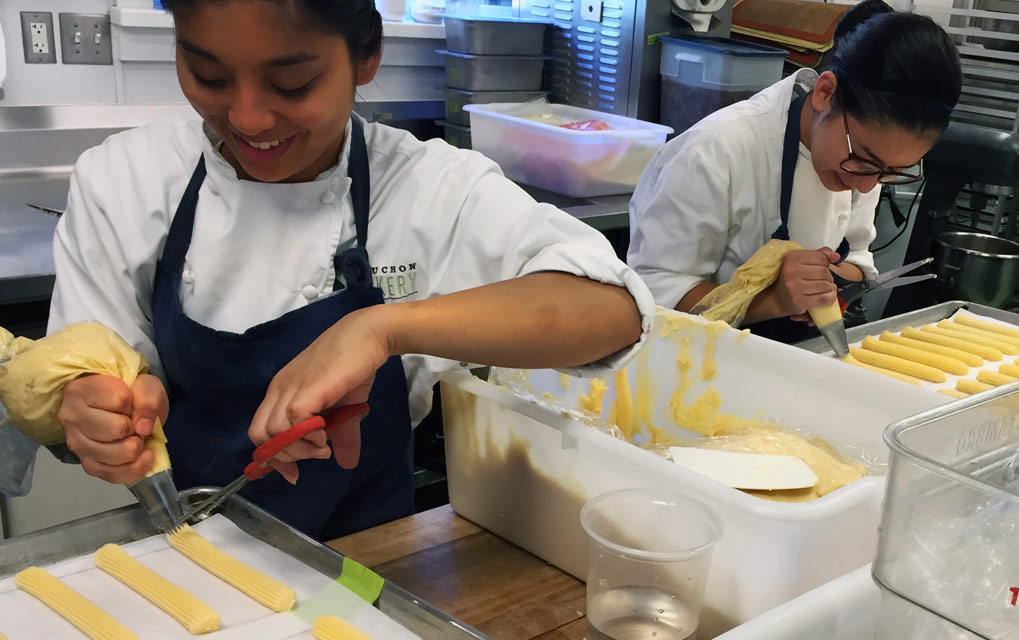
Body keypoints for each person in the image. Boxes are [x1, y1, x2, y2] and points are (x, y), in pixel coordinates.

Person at [47, 0, 651, 539]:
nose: (249, 117)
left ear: (366, 56)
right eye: (209, 76)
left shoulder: (429, 186)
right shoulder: (124, 179)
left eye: (293, 83)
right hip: (186, 554)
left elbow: (611, 309)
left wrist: (381, 329)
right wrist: (96, 409)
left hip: (370, 568)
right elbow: (78, 373)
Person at [627, 0, 961, 342]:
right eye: (863, 159)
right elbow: (655, 297)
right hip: (695, 357)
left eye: (892, 172)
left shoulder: (865, 161)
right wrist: (773, 298)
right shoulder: (716, 150)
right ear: (825, 93)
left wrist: (829, 280)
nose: (865, 186)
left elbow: (858, 262)